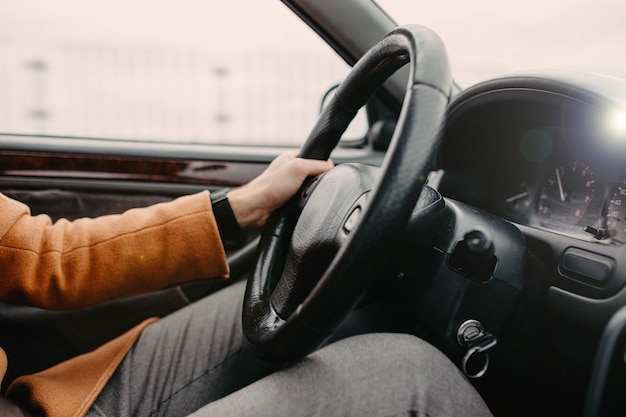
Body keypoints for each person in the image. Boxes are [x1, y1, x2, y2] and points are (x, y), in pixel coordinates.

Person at [0, 151, 493, 416]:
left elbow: (44, 256)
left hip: (53, 403)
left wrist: (239, 208)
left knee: (289, 300)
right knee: (408, 378)